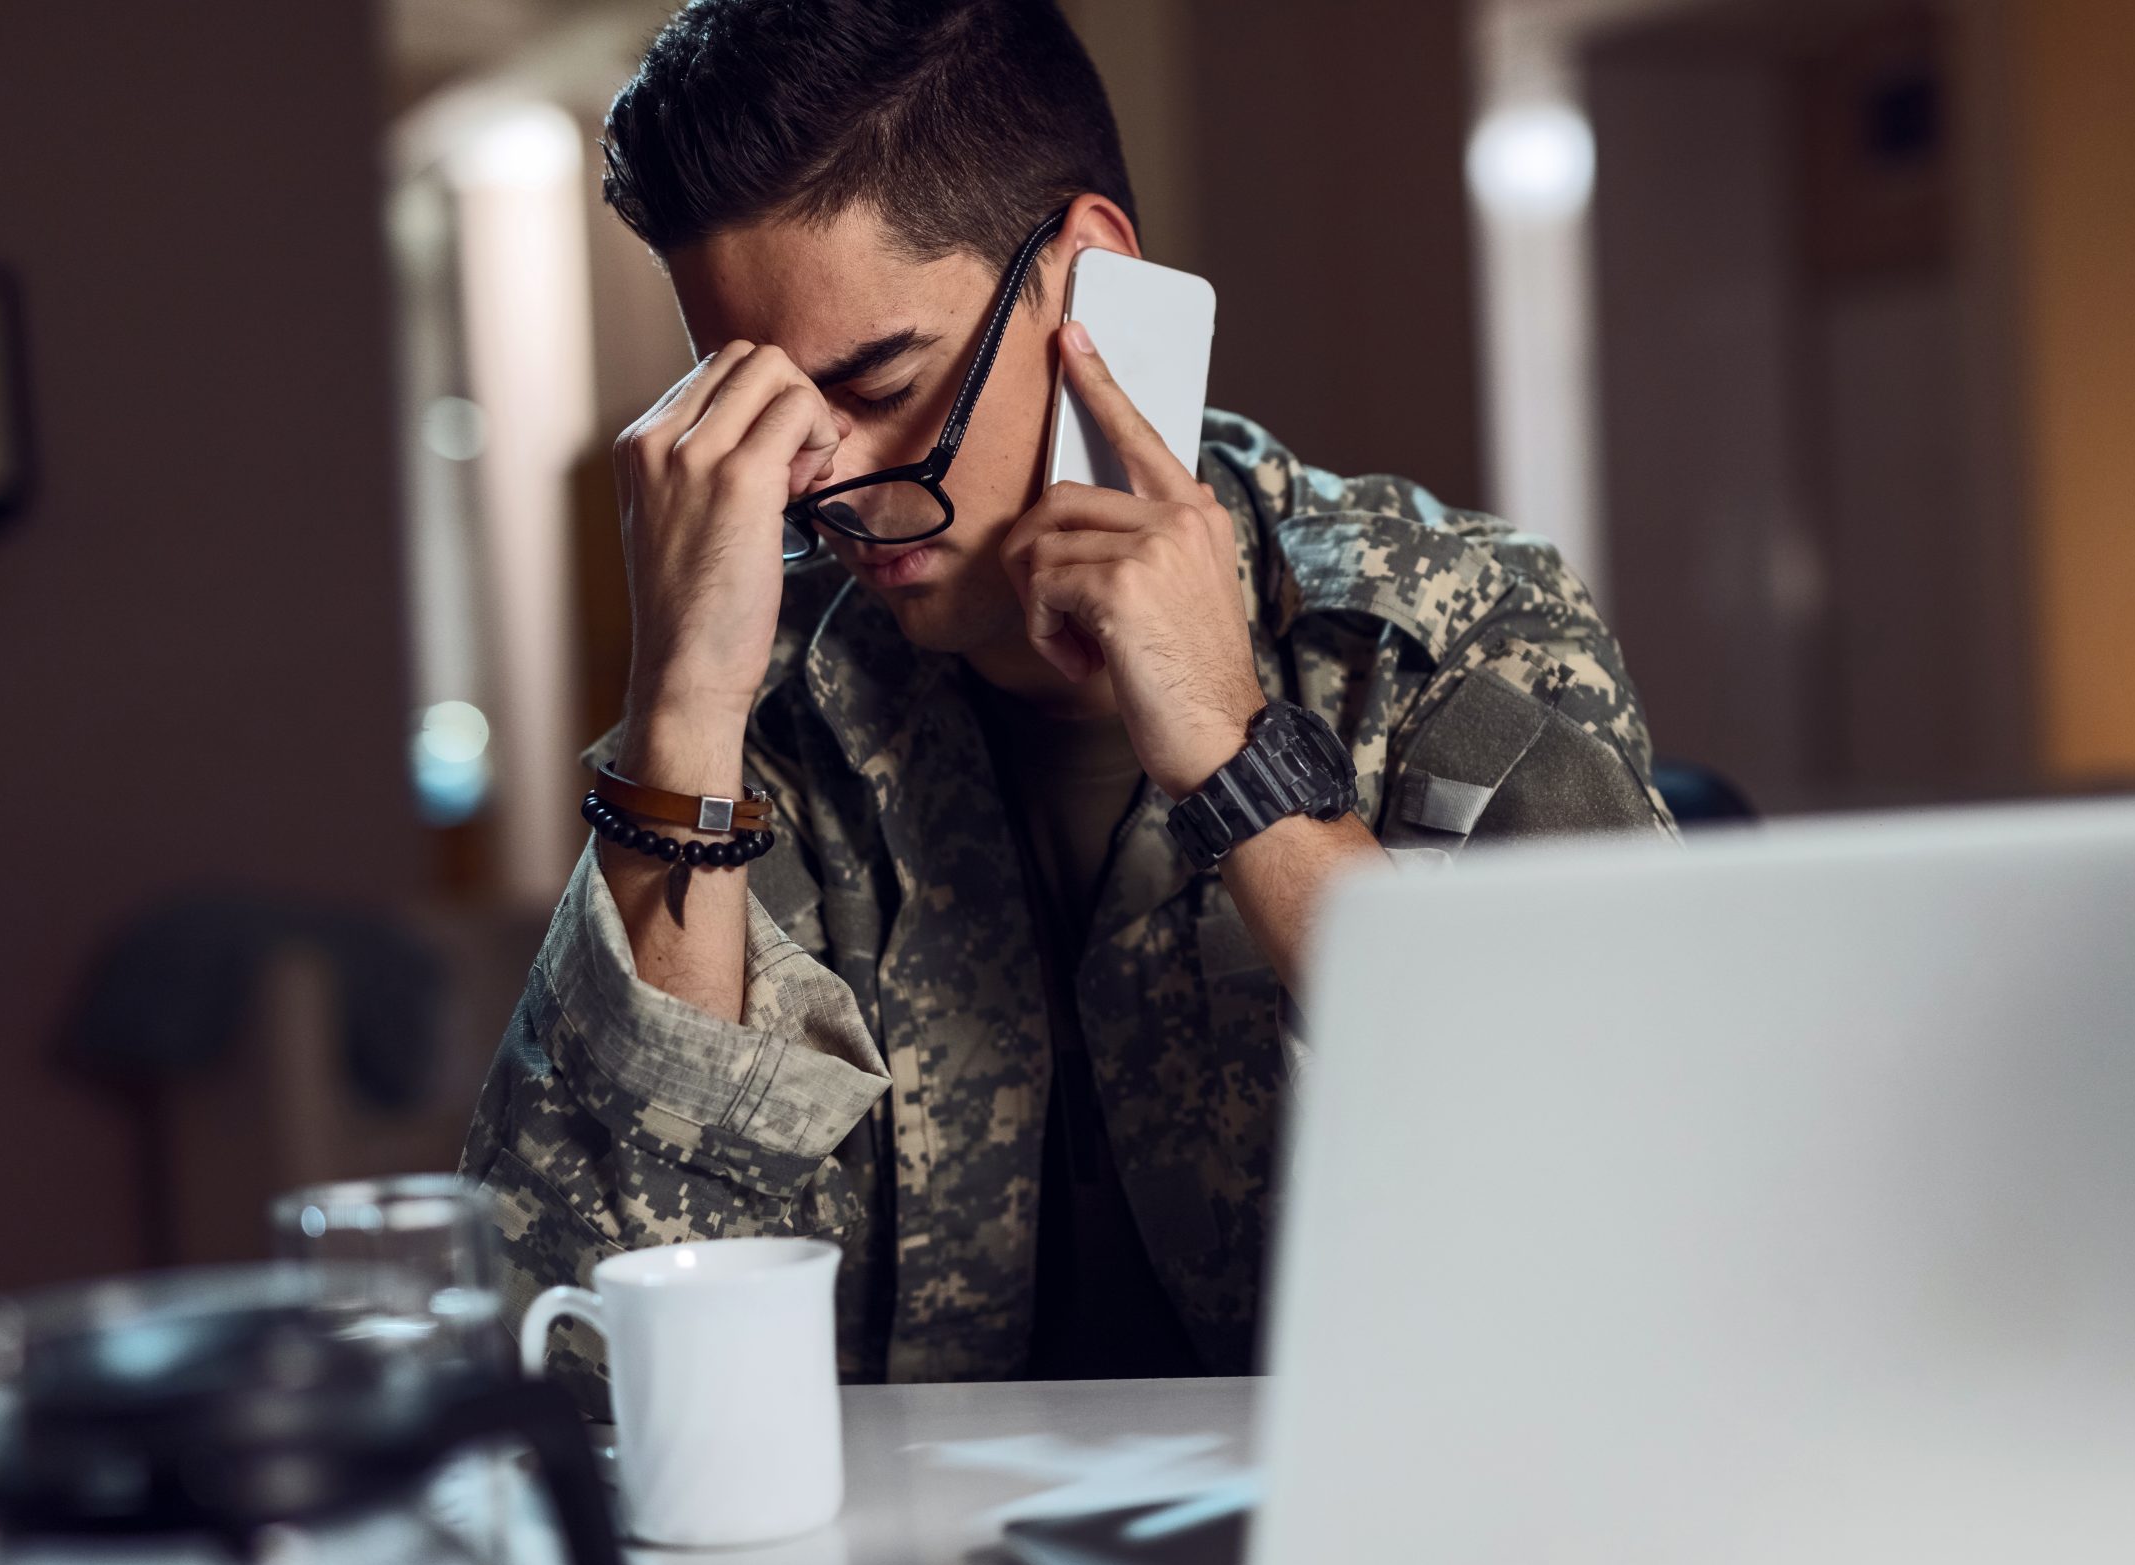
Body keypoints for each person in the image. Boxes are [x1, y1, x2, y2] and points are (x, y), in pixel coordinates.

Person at [463, 0, 1672, 1406]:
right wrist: (678, 707)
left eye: (881, 383)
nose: (815, 484)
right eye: (768, 411)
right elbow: (569, 1358)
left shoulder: (1442, 633)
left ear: (1091, 274)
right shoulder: (760, 708)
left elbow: (1651, 1211)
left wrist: (1237, 761)